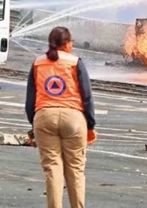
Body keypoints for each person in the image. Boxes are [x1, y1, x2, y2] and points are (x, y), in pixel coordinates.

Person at [25, 27, 97, 208]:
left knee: (52, 169)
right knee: (75, 170)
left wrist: (33, 127)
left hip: (44, 117)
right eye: (71, 41)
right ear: (66, 43)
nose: (72, 45)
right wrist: (90, 125)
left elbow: (30, 100)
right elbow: (87, 97)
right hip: (73, 117)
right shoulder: (75, 62)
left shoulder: (37, 63)